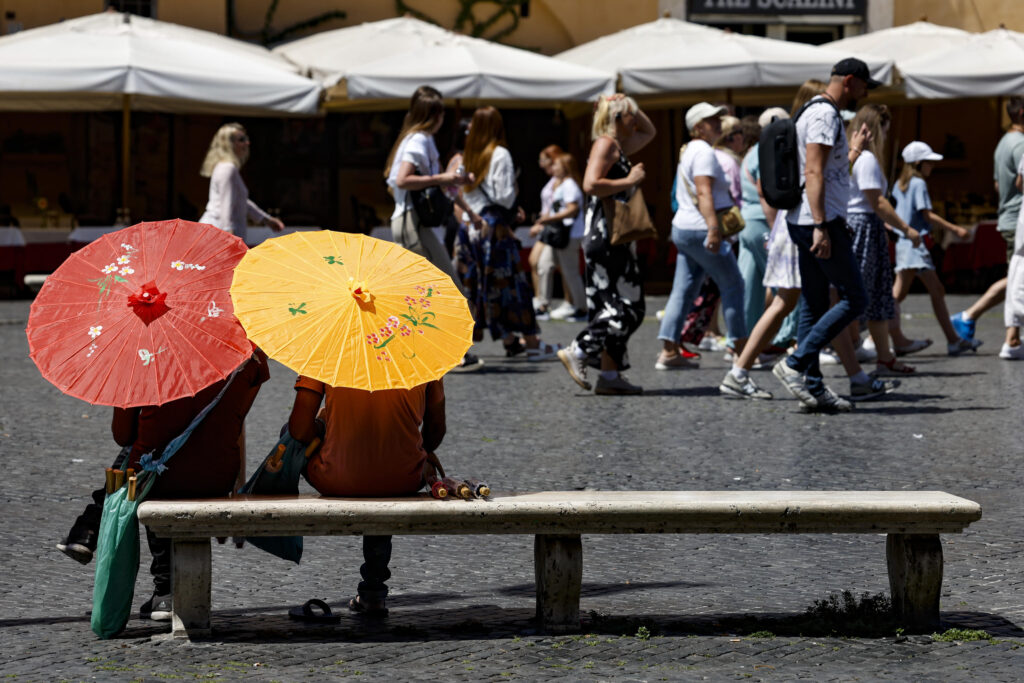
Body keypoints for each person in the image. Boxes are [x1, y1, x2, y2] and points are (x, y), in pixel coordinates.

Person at [57, 350, 270, 621]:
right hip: (217, 475)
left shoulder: (142, 351)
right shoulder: (247, 352)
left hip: (160, 477)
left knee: (147, 462)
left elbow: (122, 435)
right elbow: (235, 419)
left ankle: (94, 532)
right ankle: (162, 591)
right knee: (155, 458)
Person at [287, 375, 446, 617]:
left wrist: (323, 425)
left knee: (288, 436)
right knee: (383, 470)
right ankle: (373, 592)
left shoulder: (326, 347)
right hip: (403, 476)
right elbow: (435, 432)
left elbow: (299, 430)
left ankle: (281, 531)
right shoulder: (424, 354)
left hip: (336, 476)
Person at [771, 58, 877, 413]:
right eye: (863, 86)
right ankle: (796, 363)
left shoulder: (814, 111)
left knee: (815, 303)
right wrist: (820, 224)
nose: (864, 93)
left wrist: (855, 149)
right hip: (817, 221)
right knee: (855, 298)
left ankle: (813, 388)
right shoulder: (824, 114)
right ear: (849, 81)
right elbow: (813, 170)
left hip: (814, 217)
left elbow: (828, 170)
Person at [557, 93, 655, 395]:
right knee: (627, 307)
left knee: (613, 305)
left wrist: (627, 104)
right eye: (630, 116)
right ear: (616, 119)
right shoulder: (606, 144)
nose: (635, 121)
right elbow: (590, 184)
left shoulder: (617, 145)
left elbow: (650, 132)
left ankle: (610, 377)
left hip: (614, 237)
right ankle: (580, 349)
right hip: (604, 235)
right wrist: (630, 180)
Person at [386, 86, 483, 371]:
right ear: (436, 115)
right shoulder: (419, 140)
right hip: (412, 223)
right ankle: (452, 355)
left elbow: (432, 186)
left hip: (410, 222)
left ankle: (419, 352)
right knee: (445, 288)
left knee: (426, 291)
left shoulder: (413, 139)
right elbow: (402, 180)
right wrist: (443, 176)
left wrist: (465, 206)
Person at [459, 106, 559, 360]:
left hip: (473, 228)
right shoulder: (500, 153)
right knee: (512, 284)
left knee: (481, 287)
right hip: (496, 230)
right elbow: (504, 196)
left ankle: (508, 341)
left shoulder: (468, 155)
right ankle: (532, 342)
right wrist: (514, 191)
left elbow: (464, 194)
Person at [657, 102, 748, 372]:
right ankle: (741, 350)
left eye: (718, 118)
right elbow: (704, 192)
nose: (718, 122)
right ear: (698, 127)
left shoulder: (690, 151)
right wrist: (714, 229)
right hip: (700, 228)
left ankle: (669, 350)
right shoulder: (705, 152)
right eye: (711, 119)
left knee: (683, 289)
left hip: (684, 227)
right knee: (733, 284)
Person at [845, 105, 922, 379]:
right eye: (885, 131)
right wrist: (906, 228)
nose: (886, 137)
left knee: (876, 297)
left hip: (869, 227)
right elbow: (875, 200)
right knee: (855, 297)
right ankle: (833, 350)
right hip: (864, 227)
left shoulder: (864, 159)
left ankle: (885, 358)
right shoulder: (866, 159)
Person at [888, 141, 979, 356]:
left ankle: (879, 336)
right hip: (915, 244)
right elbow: (927, 214)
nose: (932, 166)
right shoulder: (919, 184)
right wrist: (955, 229)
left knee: (900, 294)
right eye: (929, 162)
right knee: (929, 291)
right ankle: (952, 340)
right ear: (919, 163)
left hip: (905, 244)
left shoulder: (899, 185)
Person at [950, 96, 1024, 359]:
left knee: (1015, 277)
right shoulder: (1020, 144)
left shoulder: (1004, 143)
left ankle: (1009, 336)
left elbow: (997, 185)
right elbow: (1020, 182)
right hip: (1018, 221)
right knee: (1015, 279)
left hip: (1009, 217)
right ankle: (975, 319)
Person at [199, 123, 284, 242]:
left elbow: (240, 200)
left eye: (246, 139)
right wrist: (229, 234)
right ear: (228, 144)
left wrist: (266, 219)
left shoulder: (226, 167)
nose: (247, 143)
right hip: (219, 231)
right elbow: (226, 204)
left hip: (219, 230)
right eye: (242, 140)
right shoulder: (227, 168)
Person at [529, 152, 587, 323]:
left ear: (565, 167)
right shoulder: (558, 185)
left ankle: (582, 307)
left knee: (570, 272)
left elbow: (572, 208)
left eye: (556, 165)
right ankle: (542, 304)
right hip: (556, 234)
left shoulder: (569, 185)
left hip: (568, 234)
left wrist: (549, 219)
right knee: (544, 265)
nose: (552, 167)